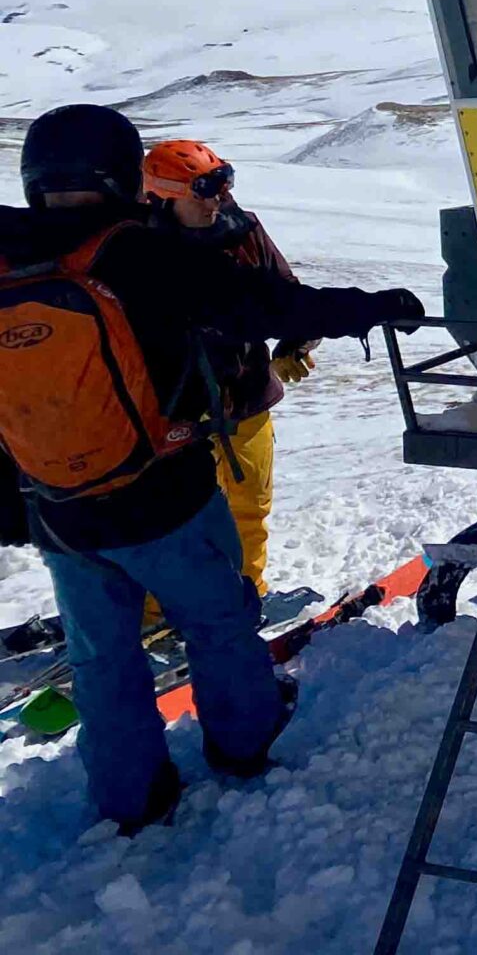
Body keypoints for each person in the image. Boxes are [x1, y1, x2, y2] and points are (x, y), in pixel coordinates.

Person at [0, 104, 422, 833]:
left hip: (60, 509)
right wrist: (371, 306)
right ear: (118, 171)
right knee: (219, 622)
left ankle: (129, 798)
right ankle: (242, 743)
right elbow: (261, 304)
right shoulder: (134, 253)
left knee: (101, 659)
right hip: (164, 494)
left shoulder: (5, 254)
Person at [141, 139, 301, 596]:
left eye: (222, 186)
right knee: (168, 518)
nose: (217, 199)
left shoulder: (242, 231)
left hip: (245, 396)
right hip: (171, 409)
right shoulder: (134, 247)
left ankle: (247, 593)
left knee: (249, 507)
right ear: (165, 195)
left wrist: (294, 339)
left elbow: (286, 295)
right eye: (203, 191)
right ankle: (157, 611)